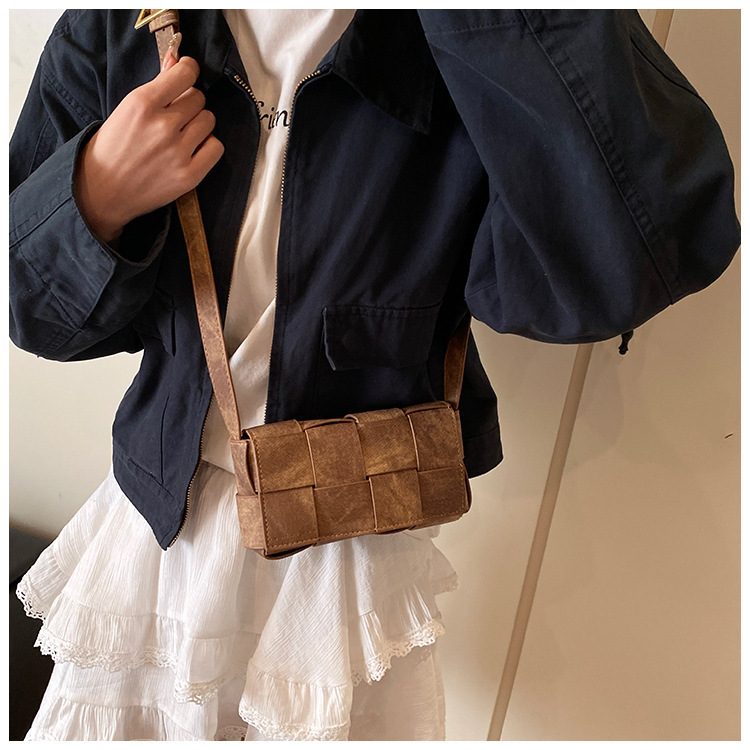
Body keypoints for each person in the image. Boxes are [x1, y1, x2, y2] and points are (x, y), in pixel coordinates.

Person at [10, 9, 740, 742]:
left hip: (350, 565)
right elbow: (27, 308)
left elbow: (629, 261)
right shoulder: (130, 21)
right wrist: (95, 194)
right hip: (153, 541)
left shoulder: (460, 31)